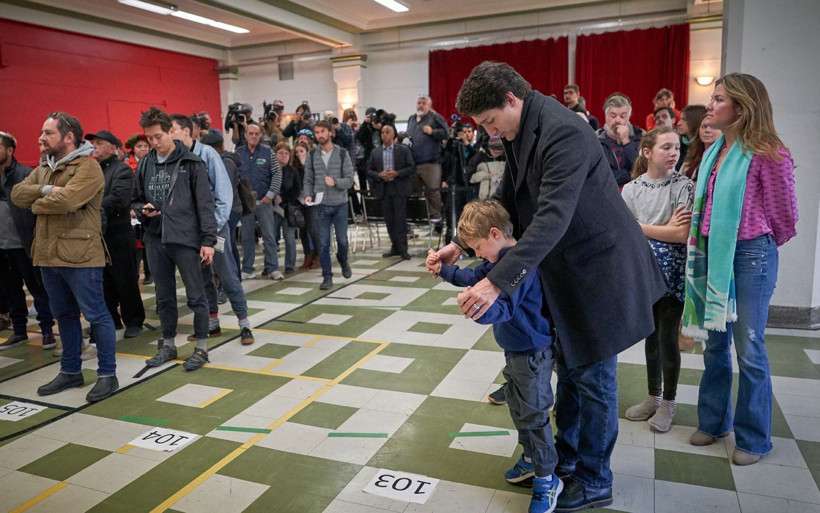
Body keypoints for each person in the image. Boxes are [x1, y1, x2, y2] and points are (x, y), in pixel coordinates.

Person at [430, 62, 665, 511]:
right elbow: (509, 199)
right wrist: (460, 243)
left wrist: (496, 282)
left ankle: (595, 479)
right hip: (569, 269)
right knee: (572, 372)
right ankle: (568, 459)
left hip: (600, 271)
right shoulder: (522, 128)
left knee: (594, 380)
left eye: (490, 121)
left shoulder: (563, 132)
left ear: (511, 100)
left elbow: (552, 218)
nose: (489, 132)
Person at [683, 73, 798, 466]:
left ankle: (753, 439)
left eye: (718, 99)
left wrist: (751, 239)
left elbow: (785, 219)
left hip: (750, 257)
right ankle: (715, 422)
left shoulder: (769, 154)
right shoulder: (715, 150)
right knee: (715, 345)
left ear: (742, 107)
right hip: (713, 254)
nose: (710, 106)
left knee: (749, 348)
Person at [427, 199, 563, 513]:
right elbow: (477, 276)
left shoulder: (519, 265)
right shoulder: (499, 259)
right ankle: (530, 457)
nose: (477, 254)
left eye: (477, 247)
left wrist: (474, 308)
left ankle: (547, 478)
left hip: (532, 354)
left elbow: (504, 309)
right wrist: (445, 271)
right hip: (517, 352)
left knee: (534, 416)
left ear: (494, 233)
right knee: (518, 408)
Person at [12, 112, 119, 402]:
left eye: (48, 133)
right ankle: (71, 371)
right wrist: (46, 189)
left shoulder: (88, 167)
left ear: (68, 137)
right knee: (64, 315)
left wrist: (36, 204)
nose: (41, 138)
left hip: (81, 256)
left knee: (97, 315)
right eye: (42, 132)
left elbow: (68, 200)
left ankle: (107, 375)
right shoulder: (44, 167)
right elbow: (18, 194)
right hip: (48, 255)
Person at [131, 106, 217, 371]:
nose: (154, 143)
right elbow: (135, 200)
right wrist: (142, 210)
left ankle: (201, 348)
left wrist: (208, 241)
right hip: (155, 238)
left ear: (171, 132)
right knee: (164, 296)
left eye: (158, 136)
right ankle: (168, 345)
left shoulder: (191, 163)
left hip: (186, 239)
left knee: (196, 295)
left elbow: (205, 204)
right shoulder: (145, 164)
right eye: (149, 138)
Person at [621, 127, 694, 433]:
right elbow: (624, 233)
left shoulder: (684, 186)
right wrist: (660, 229)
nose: (674, 153)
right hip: (642, 271)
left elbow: (681, 233)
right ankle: (654, 397)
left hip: (672, 273)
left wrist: (640, 227)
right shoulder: (631, 190)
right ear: (647, 152)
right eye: (666, 147)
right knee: (650, 335)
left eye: (677, 147)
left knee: (667, 337)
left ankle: (669, 403)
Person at [170, 115, 254, 346]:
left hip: (215, 229)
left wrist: (212, 229)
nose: (169, 134)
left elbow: (224, 195)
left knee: (226, 274)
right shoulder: (175, 158)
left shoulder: (208, 154)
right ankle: (213, 323)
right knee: (203, 278)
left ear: (186, 131)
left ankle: (244, 323)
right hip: (191, 232)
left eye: (172, 129)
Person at [85, 130, 145, 339]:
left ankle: (134, 320)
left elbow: (119, 199)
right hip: (98, 234)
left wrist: (90, 206)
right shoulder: (93, 170)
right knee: (103, 281)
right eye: (94, 143)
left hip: (118, 233)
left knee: (125, 280)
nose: (95, 147)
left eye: (100, 143)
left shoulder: (122, 170)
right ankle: (111, 319)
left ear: (113, 147)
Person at [0, 131, 56, 351]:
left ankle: (47, 331)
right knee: (11, 290)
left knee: (38, 289)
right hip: (2, 247)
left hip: (25, 244)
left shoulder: (26, 174)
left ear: (9, 150)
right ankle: (19, 331)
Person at [303, 120, 355, 290]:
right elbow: (308, 178)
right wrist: (308, 194)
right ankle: (327, 275)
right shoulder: (312, 155)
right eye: (317, 132)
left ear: (330, 132)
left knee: (342, 241)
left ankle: (343, 260)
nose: (320, 135)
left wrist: (335, 182)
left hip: (340, 204)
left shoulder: (342, 154)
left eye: (323, 131)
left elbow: (349, 180)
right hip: (320, 205)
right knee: (323, 243)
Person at [236, 123, 283, 280]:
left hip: (264, 201)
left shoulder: (268, 152)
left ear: (260, 135)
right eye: (251, 133)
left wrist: (270, 194)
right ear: (245, 135)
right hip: (246, 203)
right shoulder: (238, 153)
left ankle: (272, 268)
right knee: (247, 237)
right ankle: (247, 269)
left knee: (269, 236)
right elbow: (234, 175)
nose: (254, 136)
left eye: (256, 134)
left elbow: (277, 174)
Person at [366, 124, 415, 260]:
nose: (384, 135)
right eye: (382, 132)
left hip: (399, 188)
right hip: (383, 189)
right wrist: (379, 175)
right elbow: (369, 170)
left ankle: (403, 249)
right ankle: (395, 247)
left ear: (393, 135)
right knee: (389, 220)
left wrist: (397, 173)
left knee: (400, 220)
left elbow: (412, 167)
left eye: (387, 132)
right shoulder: (375, 152)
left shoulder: (403, 150)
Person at [407, 94, 448, 222]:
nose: (420, 105)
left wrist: (432, 132)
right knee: (414, 192)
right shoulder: (411, 119)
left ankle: (436, 219)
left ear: (429, 106)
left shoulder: (435, 117)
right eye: (419, 103)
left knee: (433, 191)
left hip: (430, 163)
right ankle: (419, 217)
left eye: (424, 103)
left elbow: (446, 133)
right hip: (413, 163)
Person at [598, 93, 644, 188]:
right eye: (613, 116)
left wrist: (626, 141)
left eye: (622, 116)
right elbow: (602, 175)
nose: (617, 120)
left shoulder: (640, 138)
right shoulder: (597, 141)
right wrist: (630, 174)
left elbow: (641, 170)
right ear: (606, 116)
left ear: (628, 117)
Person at [274, 142, 301, 274]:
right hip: (272, 208)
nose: (283, 155)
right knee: (271, 237)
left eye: (286, 153)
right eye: (281, 153)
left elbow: (297, 190)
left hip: (288, 208)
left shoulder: (293, 171)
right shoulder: (271, 170)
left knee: (289, 238)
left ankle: (290, 264)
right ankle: (271, 265)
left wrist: (283, 198)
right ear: (275, 154)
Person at [291, 142, 318, 270]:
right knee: (303, 230)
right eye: (297, 152)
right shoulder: (294, 167)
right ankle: (308, 255)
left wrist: (304, 165)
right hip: (300, 200)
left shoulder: (313, 164)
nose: (299, 154)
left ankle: (318, 256)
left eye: (301, 151)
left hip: (312, 200)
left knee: (313, 229)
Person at [469, 135, 506, 200]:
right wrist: (487, 175)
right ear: (490, 149)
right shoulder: (478, 158)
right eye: (496, 152)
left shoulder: (504, 158)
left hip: (499, 196)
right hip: (482, 197)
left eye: (500, 153)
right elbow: (470, 177)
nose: (497, 155)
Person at [675, 105, 707, 172]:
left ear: (695, 120)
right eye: (680, 119)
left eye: (684, 119)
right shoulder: (679, 144)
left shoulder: (704, 146)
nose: (678, 123)